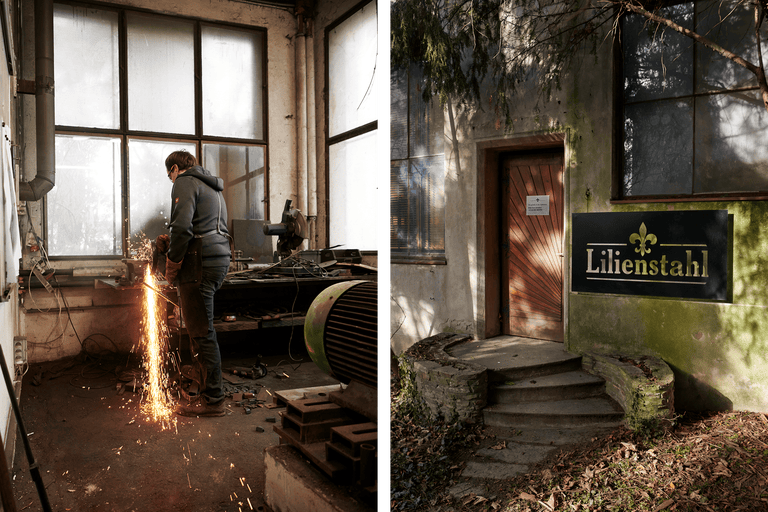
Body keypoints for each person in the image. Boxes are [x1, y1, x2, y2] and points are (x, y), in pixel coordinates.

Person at [159, 150, 231, 417]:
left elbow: (182, 228)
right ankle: (205, 388)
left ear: (175, 168)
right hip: (218, 257)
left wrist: (172, 261)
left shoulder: (185, 181)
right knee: (201, 329)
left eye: (170, 175)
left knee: (201, 332)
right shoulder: (211, 185)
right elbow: (199, 224)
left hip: (200, 262)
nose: (171, 180)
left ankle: (213, 400)